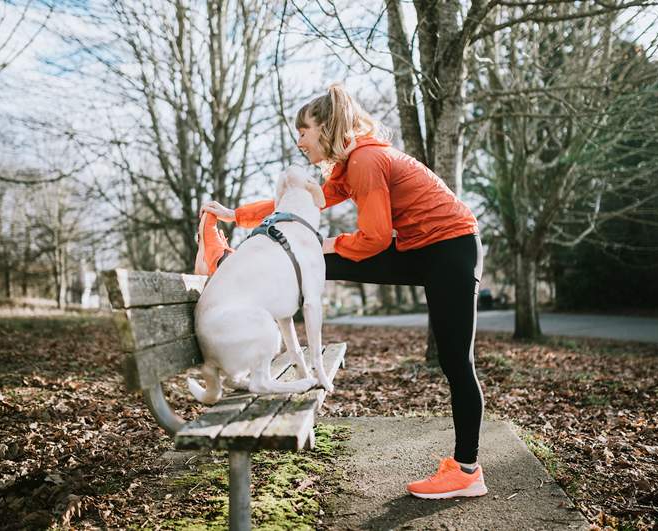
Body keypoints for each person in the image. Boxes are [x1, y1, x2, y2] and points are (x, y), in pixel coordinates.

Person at [195, 84, 486, 500]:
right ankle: (232, 266)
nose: (299, 140)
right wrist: (237, 216)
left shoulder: (366, 161)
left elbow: (376, 238)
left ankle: (467, 470)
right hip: (423, 248)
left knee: (457, 361)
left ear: (326, 128)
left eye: (304, 130)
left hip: (450, 249)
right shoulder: (350, 166)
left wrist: (327, 245)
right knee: (315, 260)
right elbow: (297, 204)